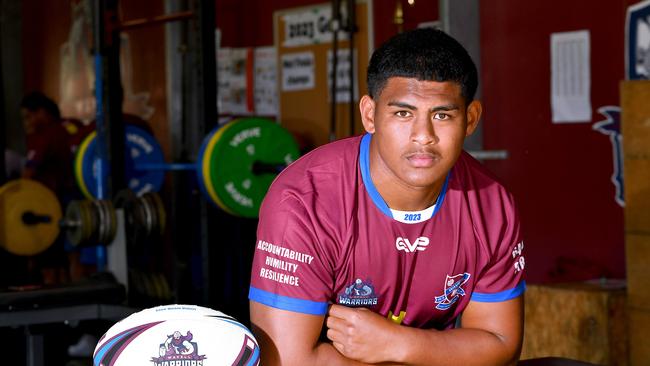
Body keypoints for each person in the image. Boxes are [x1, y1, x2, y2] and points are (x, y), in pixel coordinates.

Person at [248, 27, 526, 365]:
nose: (423, 136)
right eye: (403, 113)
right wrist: (443, 353)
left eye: (442, 115)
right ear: (370, 115)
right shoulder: (304, 201)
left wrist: (398, 344)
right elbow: (289, 361)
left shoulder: (491, 204)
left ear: (470, 119)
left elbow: (500, 345)